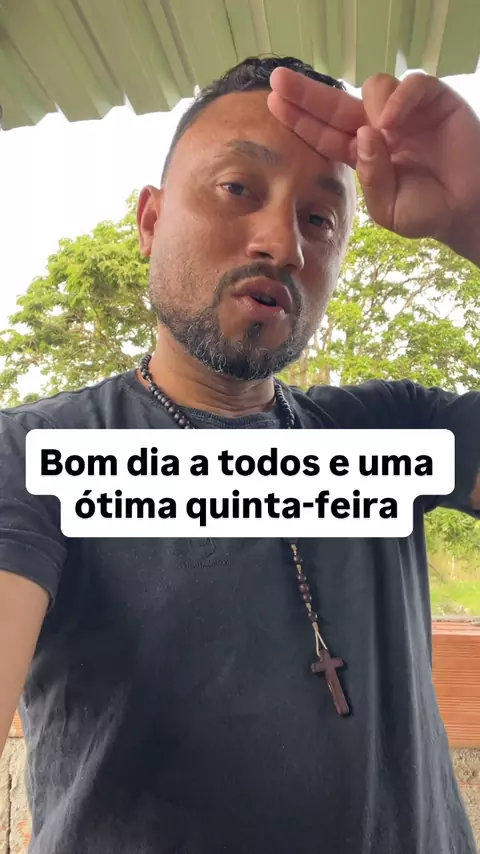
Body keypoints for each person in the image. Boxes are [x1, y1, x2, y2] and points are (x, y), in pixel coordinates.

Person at [1, 54, 479, 854]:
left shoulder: (391, 433)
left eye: (320, 220)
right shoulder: (34, 455)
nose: (282, 243)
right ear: (151, 221)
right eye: (237, 188)